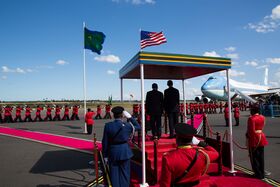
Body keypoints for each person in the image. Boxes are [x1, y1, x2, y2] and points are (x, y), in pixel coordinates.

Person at [102, 106, 141, 187]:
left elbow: (105, 142)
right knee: (125, 174)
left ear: (113, 115)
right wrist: (130, 117)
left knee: (114, 175)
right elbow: (138, 127)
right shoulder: (127, 125)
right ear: (122, 115)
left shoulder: (108, 126)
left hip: (113, 152)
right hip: (125, 152)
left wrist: (105, 155)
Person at [246, 104, 268, 179]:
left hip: (255, 138)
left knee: (254, 157)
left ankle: (258, 173)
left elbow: (251, 131)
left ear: (253, 110)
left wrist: (247, 136)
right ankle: (261, 172)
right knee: (261, 157)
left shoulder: (251, 119)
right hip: (261, 136)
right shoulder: (263, 117)